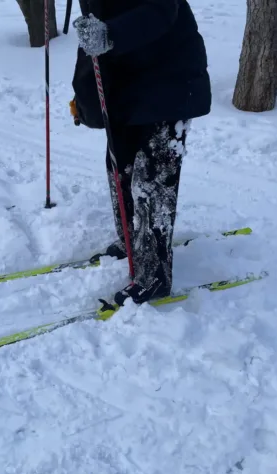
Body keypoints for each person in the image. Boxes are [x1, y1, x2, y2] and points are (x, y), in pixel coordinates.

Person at [69, 0, 212, 306]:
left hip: (169, 77)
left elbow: (162, 9)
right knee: (119, 164)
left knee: (153, 178)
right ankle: (132, 242)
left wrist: (110, 34)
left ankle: (155, 275)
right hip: (123, 78)